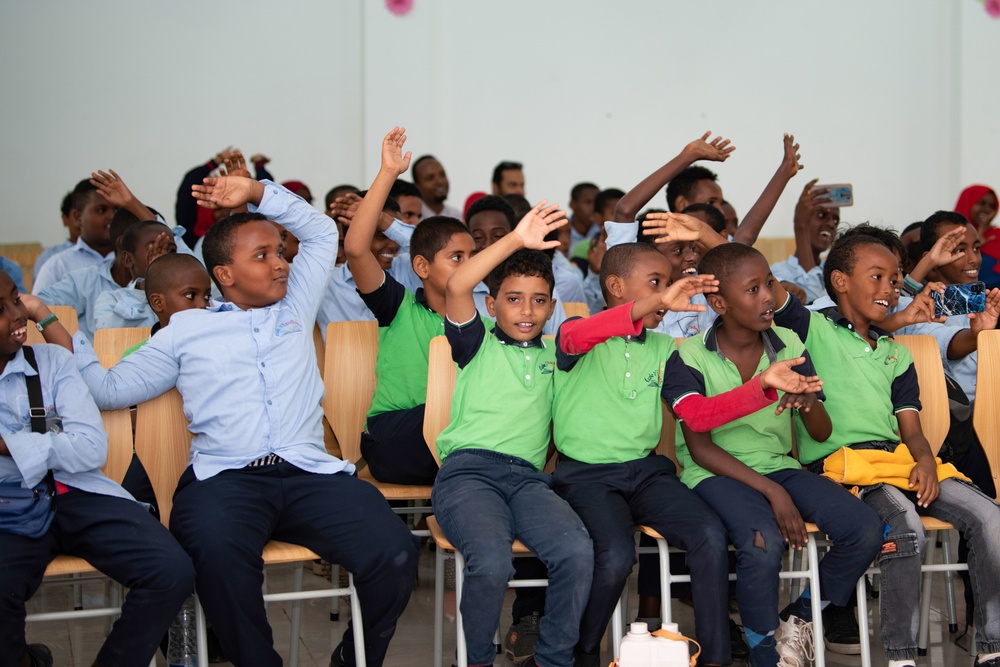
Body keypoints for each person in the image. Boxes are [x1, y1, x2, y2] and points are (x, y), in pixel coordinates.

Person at [73, 152, 419, 667]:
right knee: (216, 558)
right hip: (226, 478)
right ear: (224, 274)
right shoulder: (187, 329)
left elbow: (323, 233)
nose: (281, 262)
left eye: (279, 251)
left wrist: (255, 191)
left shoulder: (295, 306)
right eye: (263, 256)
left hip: (310, 474)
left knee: (395, 552)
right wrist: (59, 333)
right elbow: (108, 390)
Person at [552, 241, 801, 667]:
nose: (668, 296)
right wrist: (655, 300)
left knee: (708, 533)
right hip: (586, 475)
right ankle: (583, 649)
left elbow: (698, 416)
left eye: (669, 285)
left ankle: (715, 658)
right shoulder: (579, 332)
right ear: (614, 286)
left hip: (646, 474)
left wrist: (761, 387)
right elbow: (576, 336)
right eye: (656, 284)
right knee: (614, 556)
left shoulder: (666, 351)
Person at [771, 234, 1000, 667]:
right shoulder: (813, 328)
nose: (890, 289)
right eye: (877, 277)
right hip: (845, 465)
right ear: (839, 281)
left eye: (896, 281)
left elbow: (911, 429)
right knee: (905, 524)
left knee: (990, 517)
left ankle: (992, 648)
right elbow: (766, 285)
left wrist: (927, 460)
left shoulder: (895, 355)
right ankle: (900, 656)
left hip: (896, 460)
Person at [664, 243, 882, 666]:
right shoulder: (688, 356)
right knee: (761, 543)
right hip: (715, 474)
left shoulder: (790, 344)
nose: (767, 296)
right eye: (752, 289)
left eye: (769, 283)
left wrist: (808, 403)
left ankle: (796, 620)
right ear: (719, 302)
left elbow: (821, 430)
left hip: (779, 466)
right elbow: (700, 447)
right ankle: (766, 656)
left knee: (864, 528)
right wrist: (773, 494)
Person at [0, 270, 195, 667]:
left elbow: (89, 449)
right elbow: (67, 444)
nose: (16, 315)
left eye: (15, 300)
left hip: (80, 493)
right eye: (0, 309)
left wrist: (9, 444)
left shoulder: (53, 361)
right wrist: (50, 443)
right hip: (10, 509)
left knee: (171, 570)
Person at [432, 200, 594, 667]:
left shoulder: (556, 355)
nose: (527, 310)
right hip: (467, 475)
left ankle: (553, 660)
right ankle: (479, 660)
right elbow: (457, 282)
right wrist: (517, 240)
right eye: (513, 298)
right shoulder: (475, 341)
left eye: (539, 300)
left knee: (576, 552)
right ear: (491, 304)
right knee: (493, 562)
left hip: (527, 480)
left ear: (551, 307)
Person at [347, 131, 474, 486]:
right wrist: (388, 173)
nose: (468, 265)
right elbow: (357, 250)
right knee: (456, 419)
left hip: (454, 437)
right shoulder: (398, 306)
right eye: (456, 257)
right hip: (395, 437)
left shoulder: (483, 324)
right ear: (422, 267)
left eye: (472, 258)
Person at [36, 209, 151, 341]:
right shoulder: (84, 281)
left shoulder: (165, 286)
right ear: (123, 245)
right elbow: (38, 305)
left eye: (169, 249)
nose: (161, 254)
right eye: (152, 247)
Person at [34, 171, 153, 293]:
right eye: (101, 210)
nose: (111, 216)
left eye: (116, 210)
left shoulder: (135, 260)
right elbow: (38, 308)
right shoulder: (58, 266)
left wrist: (131, 202)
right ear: (77, 218)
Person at [92, 221, 178, 331]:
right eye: (152, 249)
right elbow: (110, 332)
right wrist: (150, 281)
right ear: (128, 259)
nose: (164, 256)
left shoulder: (183, 296)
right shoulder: (112, 299)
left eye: (171, 250)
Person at [770, 179, 841, 304]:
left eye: (835, 220)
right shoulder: (779, 272)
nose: (831, 224)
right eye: (821, 215)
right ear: (803, 218)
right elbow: (813, 303)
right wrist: (800, 228)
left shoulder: (836, 272)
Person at [33, 192, 80, 280]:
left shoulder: (111, 254)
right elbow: (39, 293)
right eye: (77, 215)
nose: (82, 219)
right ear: (65, 219)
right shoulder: (49, 257)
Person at [411, 154, 463, 221]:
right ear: (416, 186)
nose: (440, 182)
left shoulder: (457, 217)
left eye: (442, 175)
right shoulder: (412, 218)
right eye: (430, 178)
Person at [567, 183, 599, 249]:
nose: (593, 207)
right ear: (572, 204)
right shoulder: (561, 232)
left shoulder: (604, 231)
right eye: (588, 202)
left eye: (596, 203)